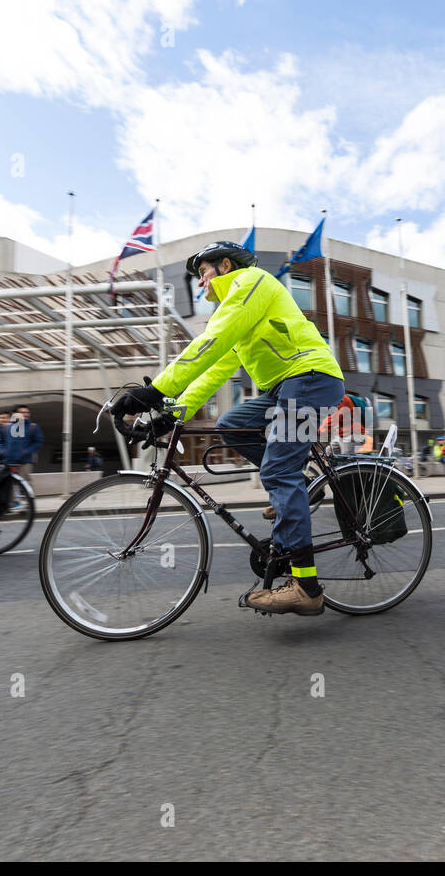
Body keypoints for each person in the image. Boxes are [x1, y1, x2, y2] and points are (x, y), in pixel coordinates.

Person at [109, 241, 344, 617]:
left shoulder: (251, 282)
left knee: (278, 471)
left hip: (311, 379)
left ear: (224, 265)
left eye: (202, 274)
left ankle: (306, 587)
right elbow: (215, 366)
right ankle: (300, 482)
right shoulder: (241, 310)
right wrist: (171, 412)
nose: (201, 285)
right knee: (232, 424)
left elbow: (210, 341)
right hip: (287, 385)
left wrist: (154, 391)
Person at [4, 404, 43, 475]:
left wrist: (26, 451)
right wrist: (3, 452)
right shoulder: (6, 427)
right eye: (22, 412)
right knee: (8, 483)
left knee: (25, 482)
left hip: (25, 461)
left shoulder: (33, 427)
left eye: (27, 412)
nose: (26, 414)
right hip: (8, 461)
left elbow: (38, 443)